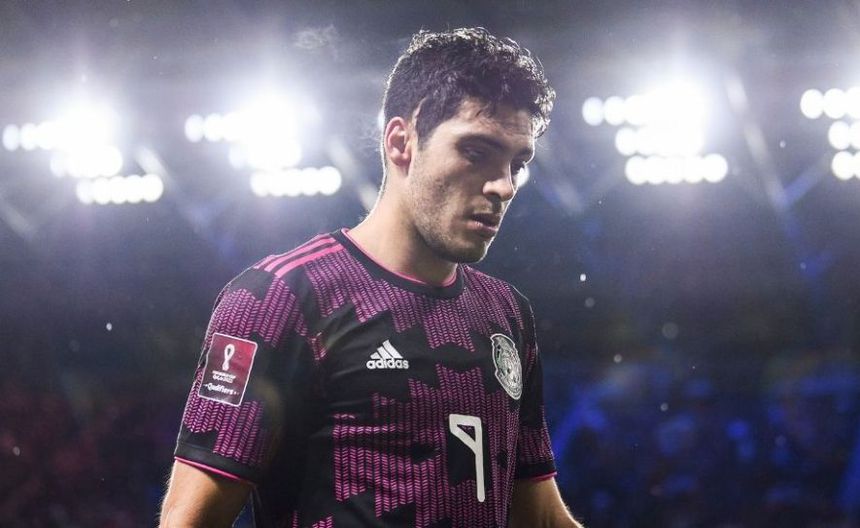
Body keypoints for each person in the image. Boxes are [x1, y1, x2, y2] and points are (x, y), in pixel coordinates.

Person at [160, 27, 584, 528]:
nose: (503, 186)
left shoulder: (508, 315)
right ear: (402, 142)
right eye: (476, 152)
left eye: (517, 163)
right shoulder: (277, 298)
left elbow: (539, 516)